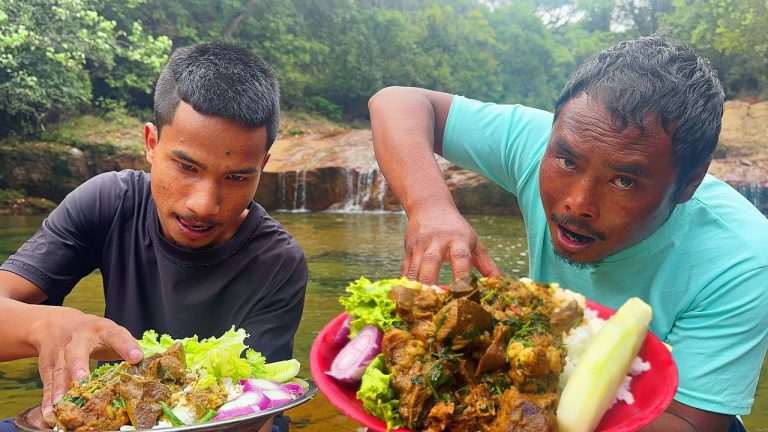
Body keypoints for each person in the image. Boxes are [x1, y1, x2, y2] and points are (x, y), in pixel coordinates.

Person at [368, 34, 767, 431]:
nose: (578, 203)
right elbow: (398, 102)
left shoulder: (745, 259)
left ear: (689, 183)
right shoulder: (548, 140)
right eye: (566, 161)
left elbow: (688, 421)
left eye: (624, 181)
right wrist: (431, 206)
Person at [0, 42, 307, 432]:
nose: (204, 205)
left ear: (263, 165)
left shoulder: (278, 260)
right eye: (186, 166)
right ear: (150, 144)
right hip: (121, 415)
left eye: (237, 177)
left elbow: (256, 409)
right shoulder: (109, 202)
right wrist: (43, 326)